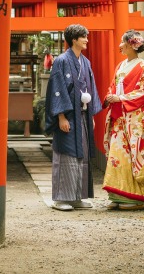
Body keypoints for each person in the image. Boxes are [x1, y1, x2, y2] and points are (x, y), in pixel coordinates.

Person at [45, 24, 103, 211]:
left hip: (83, 115)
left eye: (86, 36)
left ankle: (77, 197)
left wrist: (91, 114)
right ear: (74, 39)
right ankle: (61, 198)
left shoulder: (86, 62)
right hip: (68, 115)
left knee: (82, 155)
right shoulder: (61, 61)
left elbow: (90, 87)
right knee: (66, 154)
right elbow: (57, 89)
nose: (86, 39)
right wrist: (61, 116)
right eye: (83, 37)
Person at [101, 29, 144, 211]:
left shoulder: (141, 66)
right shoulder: (120, 66)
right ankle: (116, 195)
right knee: (116, 157)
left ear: (131, 45)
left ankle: (134, 197)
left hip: (133, 119)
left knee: (131, 156)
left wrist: (122, 98)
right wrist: (111, 96)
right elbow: (112, 86)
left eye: (122, 43)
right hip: (119, 118)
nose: (120, 46)